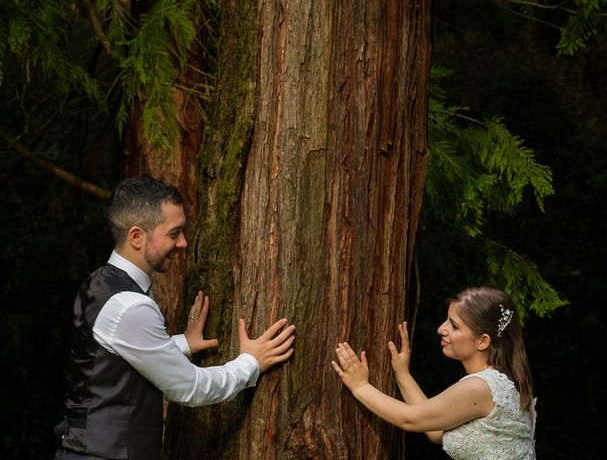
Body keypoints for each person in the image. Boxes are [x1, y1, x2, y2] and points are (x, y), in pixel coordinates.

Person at [54, 176, 295, 460]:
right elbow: (191, 388)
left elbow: (115, 359)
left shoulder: (100, 283)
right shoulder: (130, 307)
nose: (183, 243)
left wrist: (181, 344)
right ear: (136, 237)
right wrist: (250, 363)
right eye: (173, 233)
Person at [331, 286, 536, 459]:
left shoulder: (480, 387)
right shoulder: (498, 383)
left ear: (482, 341)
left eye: (454, 326)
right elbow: (435, 431)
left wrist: (360, 386)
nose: (441, 329)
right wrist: (403, 375)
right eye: (447, 320)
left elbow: (410, 419)